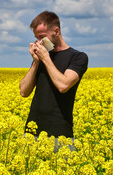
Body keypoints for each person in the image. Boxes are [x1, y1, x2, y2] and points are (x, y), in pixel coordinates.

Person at [19, 11, 88, 145]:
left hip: (60, 135)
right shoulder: (41, 58)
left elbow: (63, 86)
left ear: (56, 31)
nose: (39, 42)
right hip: (32, 134)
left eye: (42, 37)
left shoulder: (78, 57)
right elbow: (24, 91)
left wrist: (46, 58)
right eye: (36, 38)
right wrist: (36, 62)